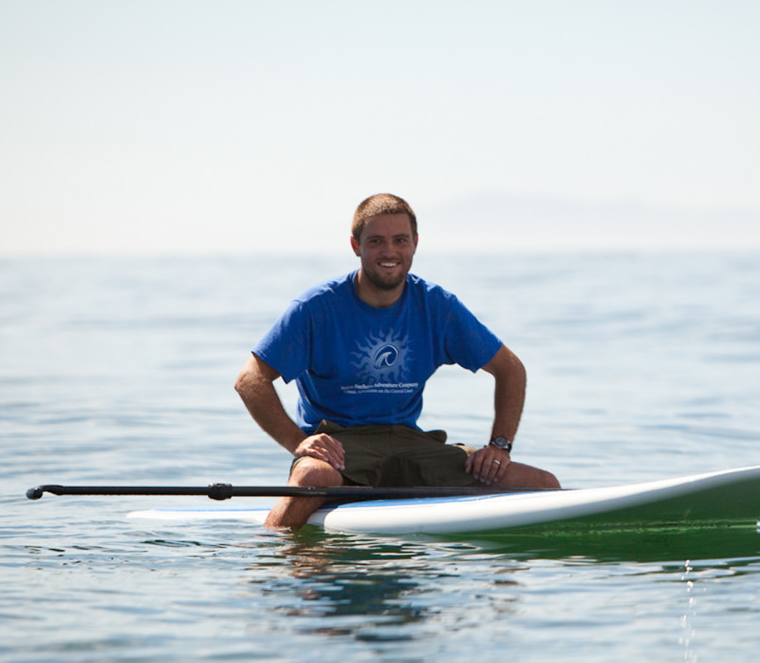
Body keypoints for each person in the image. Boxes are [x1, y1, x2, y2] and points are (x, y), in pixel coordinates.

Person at [235, 193, 560, 529]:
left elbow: (510, 369)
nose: (389, 252)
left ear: (415, 244)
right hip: (342, 447)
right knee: (313, 473)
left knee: (543, 485)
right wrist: (297, 442)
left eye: (400, 240)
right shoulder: (317, 307)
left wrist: (499, 446)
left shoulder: (436, 305)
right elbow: (249, 380)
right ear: (355, 245)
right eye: (376, 241)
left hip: (411, 443)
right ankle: (272, 555)